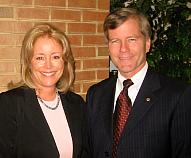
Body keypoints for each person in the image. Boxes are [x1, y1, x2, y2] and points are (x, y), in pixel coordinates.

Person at [86, 7, 191, 158]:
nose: (123, 49)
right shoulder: (95, 94)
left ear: (147, 43)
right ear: (108, 47)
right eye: (115, 41)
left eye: (132, 39)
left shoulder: (178, 96)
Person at [0, 23, 89, 158]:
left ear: (64, 62)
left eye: (55, 57)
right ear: (29, 63)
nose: (48, 66)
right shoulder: (9, 104)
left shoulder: (77, 103)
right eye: (40, 58)